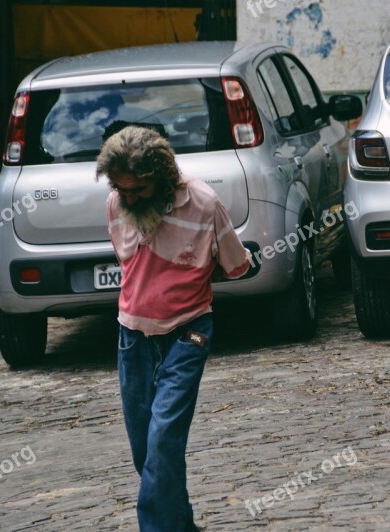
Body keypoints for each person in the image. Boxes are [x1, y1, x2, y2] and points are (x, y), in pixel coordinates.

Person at [96, 126, 250, 531]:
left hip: (188, 334)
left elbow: (236, 265)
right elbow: (129, 266)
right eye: (122, 189)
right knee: (146, 451)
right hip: (132, 337)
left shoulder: (204, 204)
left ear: (163, 179)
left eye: (139, 191)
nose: (128, 198)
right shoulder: (115, 204)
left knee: (162, 440)